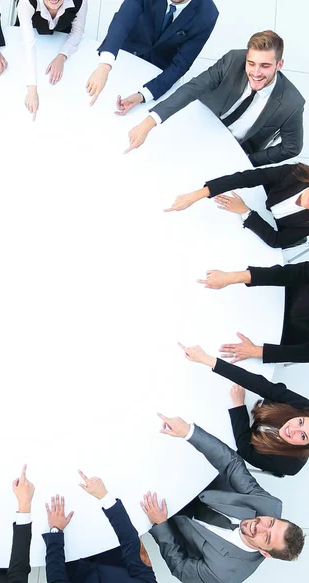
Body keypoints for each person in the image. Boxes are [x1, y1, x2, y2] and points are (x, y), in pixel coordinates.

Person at [141, 414, 305, 583]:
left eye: (267, 537)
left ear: (265, 553)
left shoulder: (225, 575)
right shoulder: (269, 505)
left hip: (166, 518)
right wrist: (189, 432)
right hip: (189, 479)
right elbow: (232, 465)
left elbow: (180, 568)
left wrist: (160, 525)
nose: (260, 525)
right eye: (271, 522)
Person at [125, 30, 304, 167]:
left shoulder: (292, 103)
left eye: (265, 66)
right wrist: (149, 122)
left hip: (230, 153)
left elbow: (291, 148)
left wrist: (247, 160)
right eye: (251, 64)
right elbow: (193, 88)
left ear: (279, 64)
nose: (256, 73)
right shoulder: (233, 60)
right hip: (199, 126)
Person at [179, 343, 309, 476]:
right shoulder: (305, 407)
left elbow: (245, 449)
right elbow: (261, 385)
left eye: (303, 435)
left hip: (238, 430)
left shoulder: (289, 465)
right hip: (263, 409)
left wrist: (239, 406)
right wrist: (208, 360)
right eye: (300, 422)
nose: (293, 430)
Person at [86, 0, 218, 109]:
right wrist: (105, 64)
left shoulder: (207, 15)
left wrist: (144, 95)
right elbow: (122, 20)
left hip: (158, 70)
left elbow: (181, 64)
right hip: (127, 52)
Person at [42, 473, 157, 583]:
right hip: (111, 547)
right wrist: (106, 498)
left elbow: (56, 577)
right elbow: (132, 545)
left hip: (73, 560)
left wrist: (55, 531)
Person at [165, 163, 309, 249]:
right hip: (260, 196)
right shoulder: (296, 173)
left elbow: (276, 240)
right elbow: (245, 178)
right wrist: (198, 194)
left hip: (262, 229)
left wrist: (246, 212)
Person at [196, 262, 309, 364]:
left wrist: (255, 351)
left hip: (282, 336)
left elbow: (304, 353)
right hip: (279, 293)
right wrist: (231, 277)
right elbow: (296, 272)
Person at [18, 0, 88, 120]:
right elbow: (28, 44)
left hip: (60, 37)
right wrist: (32, 89)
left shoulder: (80, 2)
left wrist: (62, 56)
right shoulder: (26, 2)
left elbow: (77, 32)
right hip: (32, 35)